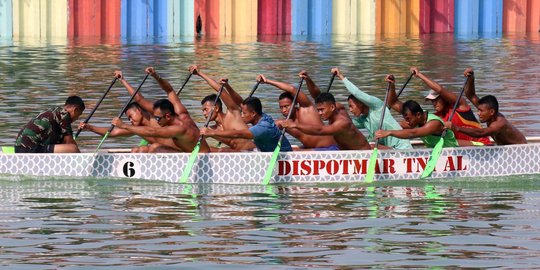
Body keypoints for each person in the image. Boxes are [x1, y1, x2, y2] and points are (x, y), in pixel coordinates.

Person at [111, 67, 210, 153]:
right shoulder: (180, 112)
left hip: (200, 159)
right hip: (190, 152)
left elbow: (152, 131)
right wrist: (155, 76)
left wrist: (124, 125)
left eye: (157, 119)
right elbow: (169, 90)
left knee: (155, 147)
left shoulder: (178, 128)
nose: (156, 121)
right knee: (148, 148)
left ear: (167, 116)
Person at [79, 71, 181, 153]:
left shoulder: (156, 117)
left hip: (181, 152)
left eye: (131, 116)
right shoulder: (136, 128)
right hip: (163, 152)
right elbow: (113, 132)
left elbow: (139, 98)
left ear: (139, 110)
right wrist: (90, 127)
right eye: (128, 119)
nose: (130, 120)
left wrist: (122, 80)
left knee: (153, 147)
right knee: (136, 150)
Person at [387, 67, 491, 146]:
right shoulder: (431, 117)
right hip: (458, 147)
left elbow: (440, 89)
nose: (434, 103)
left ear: (444, 98)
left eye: (436, 100)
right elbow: (393, 103)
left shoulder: (461, 107)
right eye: (432, 101)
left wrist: (419, 75)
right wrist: (392, 85)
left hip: (480, 145)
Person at [444, 68, 527, 145]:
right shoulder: (487, 111)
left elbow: (481, 133)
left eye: (481, 111)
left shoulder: (499, 123)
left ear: (491, 112)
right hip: (506, 150)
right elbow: (470, 95)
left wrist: (457, 128)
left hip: (520, 151)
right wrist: (471, 78)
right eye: (478, 110)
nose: (478, 113)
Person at [334, 68, 412, 150]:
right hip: (391, 150)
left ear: (360, 103)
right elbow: (346, 125)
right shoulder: (363, 120)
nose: (350, 110)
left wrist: (340, 75)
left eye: (351, 106)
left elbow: (357, 93)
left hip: (403, 148)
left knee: (369, 147)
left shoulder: (377, 106)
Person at [256, 73, 338, 150]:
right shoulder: (285, 123)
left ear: (295, 104)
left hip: (331, 149)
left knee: (292, 151)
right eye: (281, 107)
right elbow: (265, 128)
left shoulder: (306, 109)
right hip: (313, 150)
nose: (284, 110)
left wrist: (267, 81)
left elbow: (292, 89)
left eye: (286, 106)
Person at [189, 65, 256, 152]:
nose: (204, 114)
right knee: (206, 149)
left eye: (206, 109)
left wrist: (199, 73)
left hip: (253, 153)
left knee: (222, 151)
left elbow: (220, 90)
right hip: (237, 156)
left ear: (216, 108)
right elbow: (192, 138)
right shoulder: (210, 130)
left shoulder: (232, 113)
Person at [200, 96, 293, 152]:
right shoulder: (260, 116)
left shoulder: (264, 126)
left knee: (218, 150)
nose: (241, 116)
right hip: (263, 151)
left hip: (283, 156)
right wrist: (227, 85)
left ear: (253, 113)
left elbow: (240, 133)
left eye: (244, 113)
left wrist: (213, 133)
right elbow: (240, 101)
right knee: (215, 149)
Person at [282, 92, 371, 150]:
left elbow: (319, 130)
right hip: (343, 151)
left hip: (362, 155)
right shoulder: (338, 106)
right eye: (318, 110)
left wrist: (295, 125)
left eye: (322, 110)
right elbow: (317, 93)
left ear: (332, 107)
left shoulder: (342, 123)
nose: (319, 113)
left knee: (300, 151)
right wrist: (308, 79)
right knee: (296, 149)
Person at [15, 95, 85, 153]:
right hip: (29, 150)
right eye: (79, 115)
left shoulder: (54, 112)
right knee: (72, 148)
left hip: (19, 148)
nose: (77, 118)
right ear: (75, 110)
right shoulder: (65, 115)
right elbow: (69, 144)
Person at [375, 100, 459, 148]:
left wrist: (390, 132)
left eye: (408, 119)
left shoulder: (434, 124)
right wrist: (392, 84)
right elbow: (393, 102)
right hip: (436, 152)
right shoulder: (419, 118)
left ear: (418, 115)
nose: (407, 122)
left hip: (452, 153)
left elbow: (413, 133)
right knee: (399, 125)